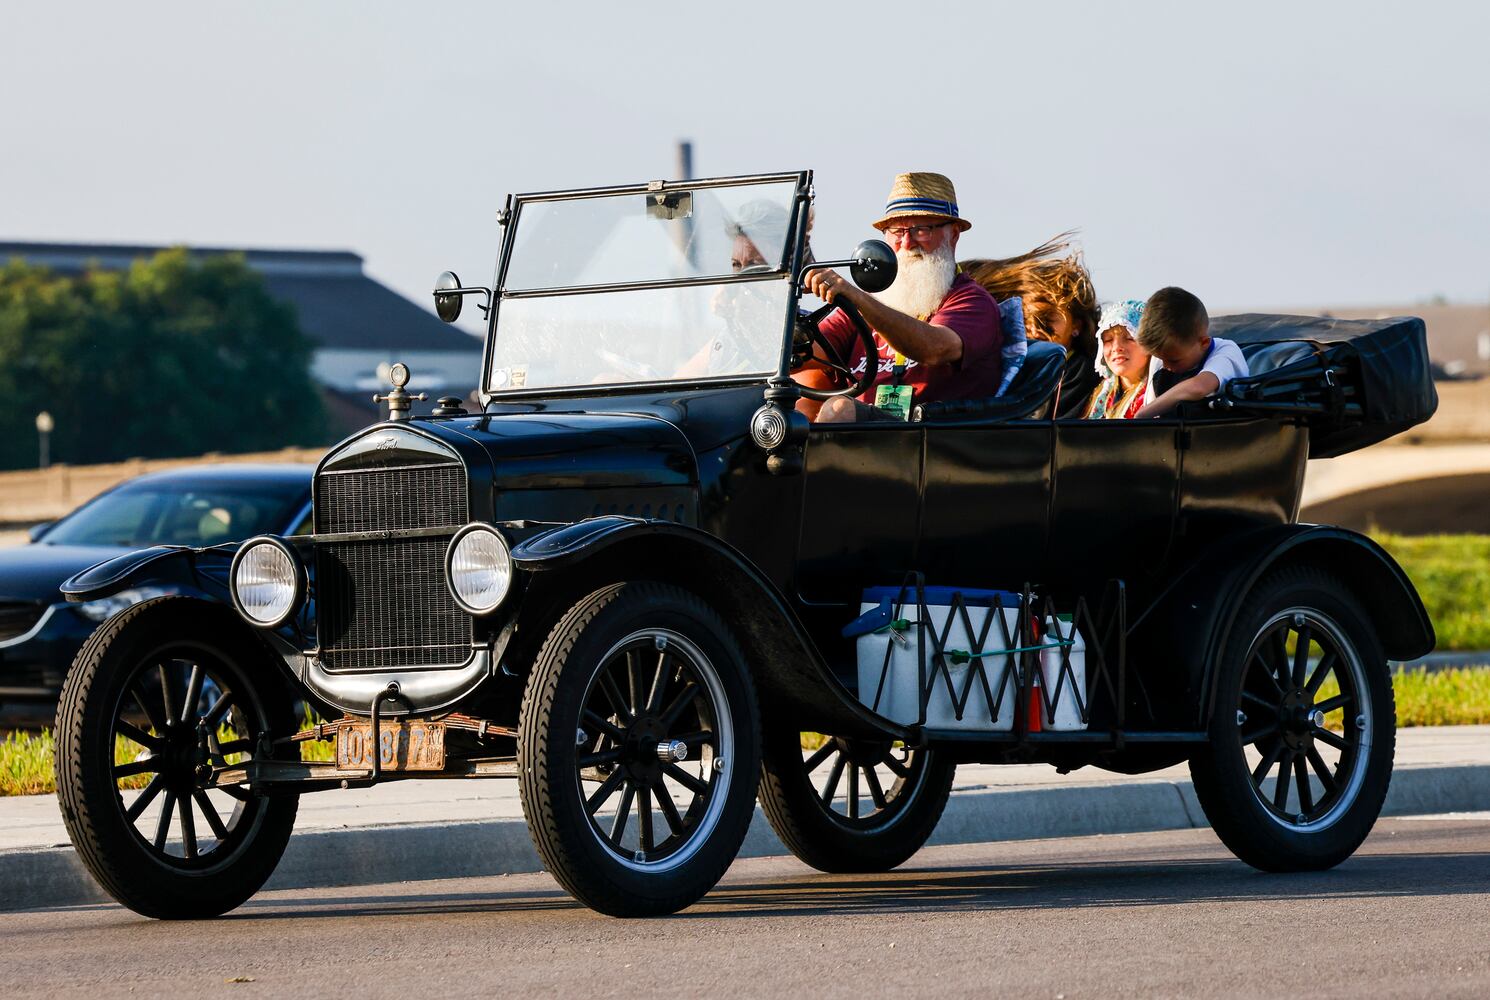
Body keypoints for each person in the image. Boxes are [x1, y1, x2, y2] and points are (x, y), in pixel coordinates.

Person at [796, 172, 1002, 422]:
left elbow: (934, 348)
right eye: (896, 231)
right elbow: (807, 353)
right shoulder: (871, 303)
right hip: (872, 440)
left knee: (840, 409)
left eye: (920, 230)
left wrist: (855, 296)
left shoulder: (971, 301)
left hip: (932, 440)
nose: (906, 243)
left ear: (954, 234)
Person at [960, 234, 1100, 417]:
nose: (1034, 330)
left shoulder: (1078, 370)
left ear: (1077, 326)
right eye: (1026, 320)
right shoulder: (1018, 366)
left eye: (1046, 319)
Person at [1131, 286, 1249, 418]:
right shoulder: (1162, 359)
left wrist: (1141, 414)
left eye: (1174, 360)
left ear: (1204, 343)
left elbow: (1199, 387)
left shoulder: (1225, 352)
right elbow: (1154, 412)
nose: (1165, 366)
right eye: (1161, 358)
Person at [1083, 299, 1152, 419]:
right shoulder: (1102, 394)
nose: (1117, 347)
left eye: (1130, 338)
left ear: (1149, 344)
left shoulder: (1153, 396)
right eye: (1108, 340)